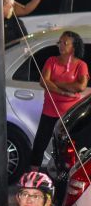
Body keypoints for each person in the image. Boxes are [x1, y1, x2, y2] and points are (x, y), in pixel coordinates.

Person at [31, 31, 89, 170]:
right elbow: (44, 82)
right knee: (40, 143)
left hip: (70, 114)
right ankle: (33, 174)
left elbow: (80, 86)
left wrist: (56, 82)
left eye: (65, 43)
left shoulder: (81, 65)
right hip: (50, 110)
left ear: (73, 47)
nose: (61, 45)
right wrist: (64, 91)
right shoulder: (52, 61)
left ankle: (69, 174)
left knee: (71, 147)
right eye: (60, 42)